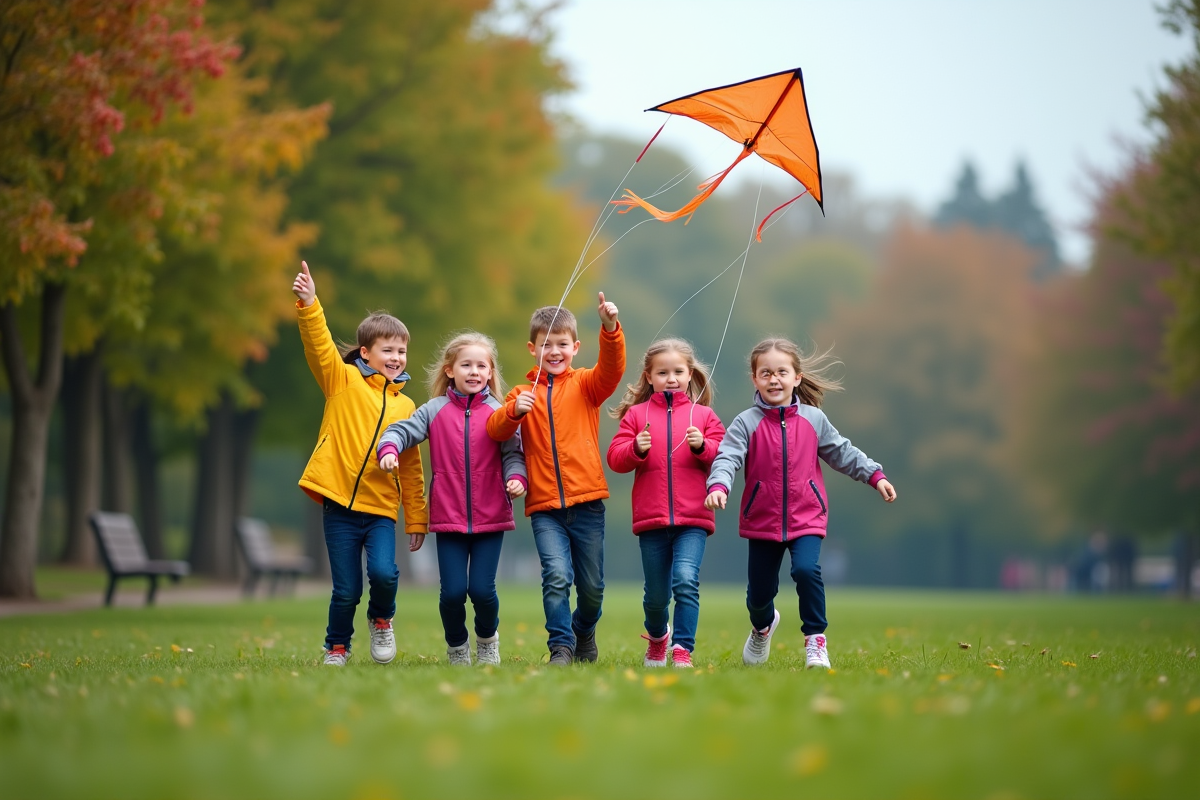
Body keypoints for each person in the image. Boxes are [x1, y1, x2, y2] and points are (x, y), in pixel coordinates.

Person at [705, 338, 896, 670]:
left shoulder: (813, 419)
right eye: (766, 373)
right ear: (754, 379)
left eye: (782, 371)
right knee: (759, 595)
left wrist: (874, 475)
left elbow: (842, 452)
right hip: (761, 520)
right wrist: (719, 485)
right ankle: (762, 626)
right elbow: (727, 456)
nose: (774, 379)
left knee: (806, 570)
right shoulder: (746, 422)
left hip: (806, 515)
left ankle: (815, 641)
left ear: (797, 377)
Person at [292, 261, 428, 667]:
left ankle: (382, 619)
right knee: (346, 588)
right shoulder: (343, 380)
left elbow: (411, 469)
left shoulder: (407, 406)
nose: (397, 357)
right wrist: (310, 304)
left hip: (381, 509)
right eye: (388, 350)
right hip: (339, 506)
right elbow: (318, 346)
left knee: (385, 575)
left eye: (402, 351)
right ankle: (337, 646)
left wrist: (417, 519)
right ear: (366, 352)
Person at [487, 294, 626, 666]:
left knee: (593, 588)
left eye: (562, 344)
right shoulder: (520, 394)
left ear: (575, 347)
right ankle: (561, 647)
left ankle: (584, 629)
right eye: (546, 344)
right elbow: (495, 429)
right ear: (533, 348)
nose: (554, 351)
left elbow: (611, 371)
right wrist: (513, 413)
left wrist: (610, 329)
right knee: (556, 576)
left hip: (588, 503)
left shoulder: (586, 385)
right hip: (545, 507)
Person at [376, 332, 528, 666]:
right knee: (453, 592)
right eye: (466, 365)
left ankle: (488, 640)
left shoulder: (499, 413)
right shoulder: (434, 410)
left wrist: (516, 478)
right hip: (448, 517)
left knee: (483, 592)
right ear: (450, 370)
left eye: (481, 366)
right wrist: (389, 448)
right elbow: (401, 431)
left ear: (491, 373)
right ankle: (457, 646)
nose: (474, 372)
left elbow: (514, 454)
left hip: (491, 517)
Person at [607, 339, 725, 668]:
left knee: (686, 580)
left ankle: (682, 648)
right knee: (656, 595)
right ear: (648, 376)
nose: (670, 378)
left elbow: (725, 457)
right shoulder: (636, 415)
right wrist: (636, 448)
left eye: (677, 371)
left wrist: (703, 446)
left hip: (693, 519)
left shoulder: (703, 415)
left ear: (690, 375)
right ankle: (658, 639)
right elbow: (615, 459)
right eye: (662, 372)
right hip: (651, 520)